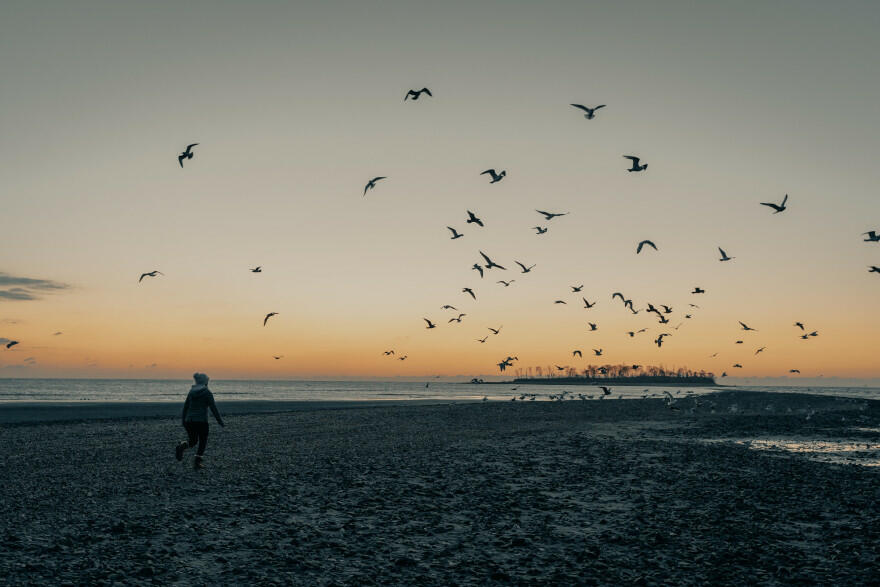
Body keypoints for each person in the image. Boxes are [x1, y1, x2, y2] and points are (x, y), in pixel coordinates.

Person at [175, 372, 224, 469]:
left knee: (193, 441)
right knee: (202, 441)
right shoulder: (207, 393)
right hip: (201, 421)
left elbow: (185, 407)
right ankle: (197, 463)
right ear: (205, 383)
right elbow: (213, 408)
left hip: (189, 420)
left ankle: (182, 446)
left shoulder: (191, 392)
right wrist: (219, 421)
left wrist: (183, 420)